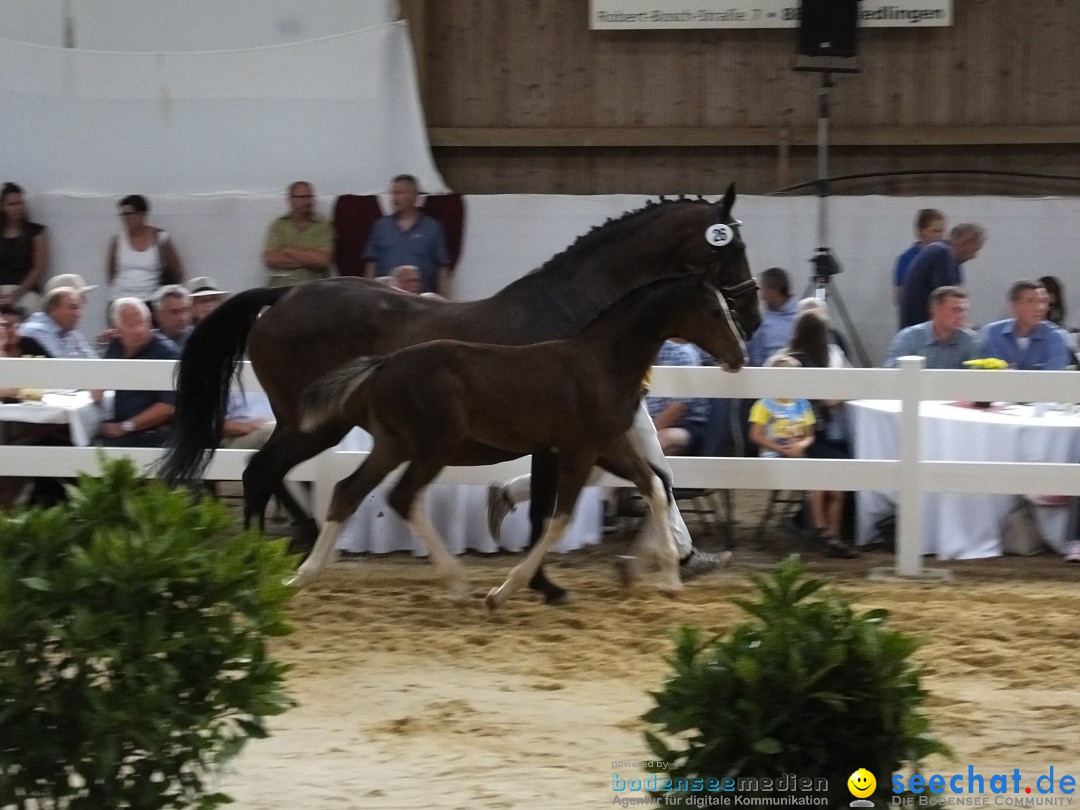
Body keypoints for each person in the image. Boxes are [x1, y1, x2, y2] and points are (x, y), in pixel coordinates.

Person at [749, 354, 855, 558]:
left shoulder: (802, 404)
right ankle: (821, 531)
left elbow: (809, 435)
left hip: (799, 453)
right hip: (775, 455)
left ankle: (833, 535)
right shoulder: (764, 405)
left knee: (836, 487)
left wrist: (800, 445)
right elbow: (756, 436)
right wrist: (781, 449)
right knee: (815, 481)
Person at [92, 298, 178, 447]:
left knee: (97, 450)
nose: (139, 330)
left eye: (143, 323)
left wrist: (125, 427)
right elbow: (103, 374)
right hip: (123, 425)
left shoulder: (166, 353)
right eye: (131, 325)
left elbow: (168, 406)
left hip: (155, 433)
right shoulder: (116, 345)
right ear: (117, 330)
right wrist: (97, 385)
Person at [362, 174, 451, 297]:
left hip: (423, 302)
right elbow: (371, 265)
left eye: (400, 193)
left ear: (414, 196)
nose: (395, 198)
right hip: (387, 300)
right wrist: (368, 297)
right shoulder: (381, 226)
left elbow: (442, 268)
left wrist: (444, 301)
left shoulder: (432, 227)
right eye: (393, 193)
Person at [898, 223, 986, 329]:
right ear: (965, 242)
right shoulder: (943, 254)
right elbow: (947, 299)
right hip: (923, 334)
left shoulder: (936, 250)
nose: (973, 256)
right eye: (974, 250)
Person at [107, 194, 184, 305]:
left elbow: (176, 270)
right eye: (122, 215)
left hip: (150, 299)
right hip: (119, 299)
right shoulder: (117, 240)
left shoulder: (161, 238)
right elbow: (111, 273)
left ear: (141, 214)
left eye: (128, 214)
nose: (125, 219)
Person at [978, 280, 1072, 370]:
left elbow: (1053, 379)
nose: (1039, 307)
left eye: (1043, 301)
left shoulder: (1056, 337)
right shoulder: (993, 334)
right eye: (1030, 301)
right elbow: (988, 374)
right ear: (1014, 306)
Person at [884, 286, 979, 370]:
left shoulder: (971, 340)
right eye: (955, 310)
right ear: (935, 310)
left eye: (964, 310)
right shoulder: (909, 338)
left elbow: (977, 378)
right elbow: (891, 374)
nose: (961, 315)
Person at [261, 181, 334, 287]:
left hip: (313, 290)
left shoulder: (323, 225)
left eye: (309, 196)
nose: (307, 201)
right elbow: (270, 260)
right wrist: (309, 260)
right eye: (302, 197)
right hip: (280, 289)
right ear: (290, 200)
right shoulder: (278, 225)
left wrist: (289, 250)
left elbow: (322, 260)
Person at [645, 339, 709, 456]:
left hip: (685, 424)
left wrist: (645, 435)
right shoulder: (632, 354)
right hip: (645, 424)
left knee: (663, 440)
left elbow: (679, 407)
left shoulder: (682, 352)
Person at [0, 182, 49, 311]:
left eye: (20, 203)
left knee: (30, 307)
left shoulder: (36, 232)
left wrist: (17, 294)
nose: (17, 208)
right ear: (3, 207)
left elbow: (39, 268)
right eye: (12, 204)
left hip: (27, 291)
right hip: (2, 290)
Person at [17, 286, 97, 359]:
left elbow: (94, 362)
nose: (78, 314)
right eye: (73, 308)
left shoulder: (73, 335)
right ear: (53, 309)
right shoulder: (34, 332)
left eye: (79, 308)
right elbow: (58, 365)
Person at [744, 267, 797, 367]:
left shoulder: (801, 316)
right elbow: (752, 357)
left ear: (774, 290)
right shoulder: (760, 322)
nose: (762, 297)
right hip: (766, 377)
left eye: (763, 289)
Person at [893, 208, 946, 307]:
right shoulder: (907, 259)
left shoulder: (947, 256)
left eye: (942, 231)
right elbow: (900, 295)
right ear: (922, 231)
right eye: (935, 231)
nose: (940, 236)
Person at [152, 284, 193, 351]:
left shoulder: (200, 339)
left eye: (185, 310)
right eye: (174, 312)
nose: (181, 318)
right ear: (158, 315)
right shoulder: (147, 342)